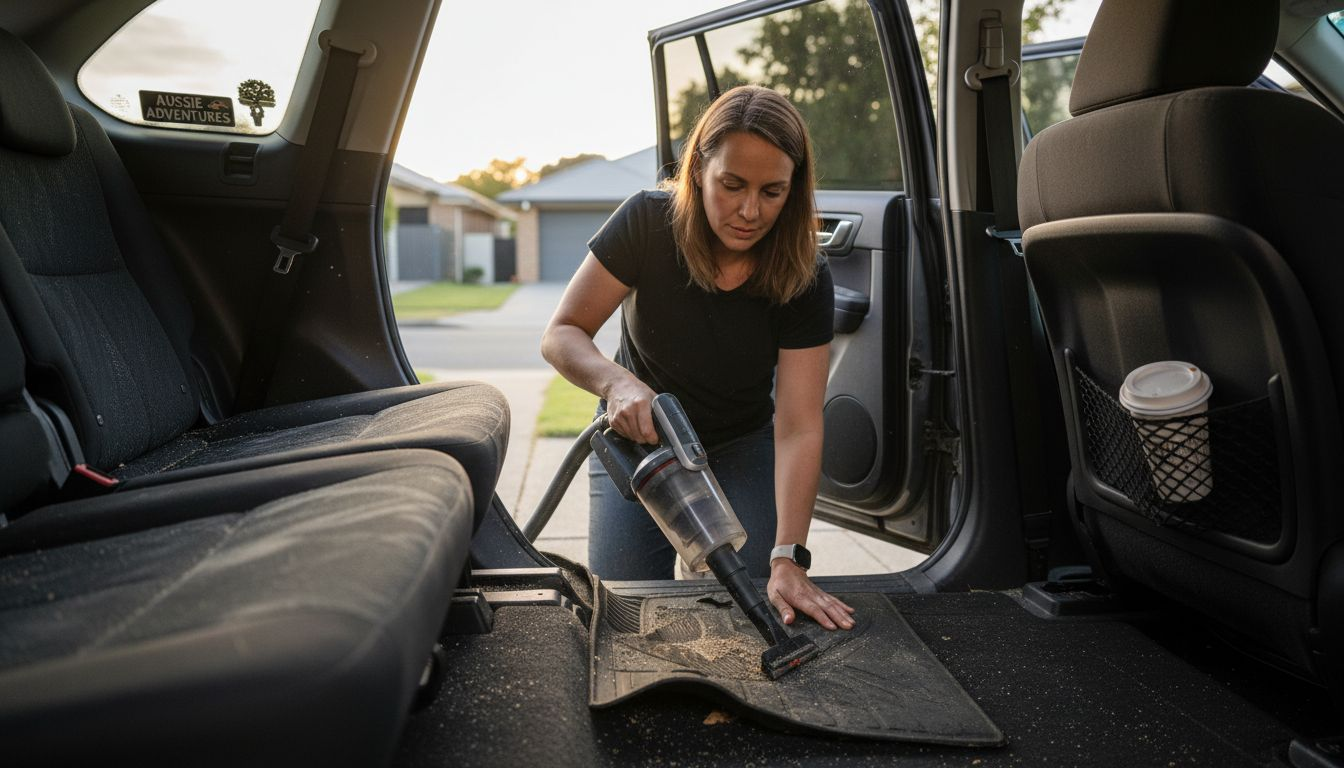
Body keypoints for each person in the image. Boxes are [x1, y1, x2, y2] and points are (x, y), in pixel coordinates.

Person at [540, 85, 855, 632]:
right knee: (623, 613)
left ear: (794, 190)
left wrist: (789, 556)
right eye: (731, 185)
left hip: (741, 443)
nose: (750, 211)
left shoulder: (805, 271)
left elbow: (801, 424)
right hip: (639, 443)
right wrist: (616, 385)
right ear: (698, 171)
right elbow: (563, 333)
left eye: (772, 192)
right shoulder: (646, 222)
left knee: (756, 606)